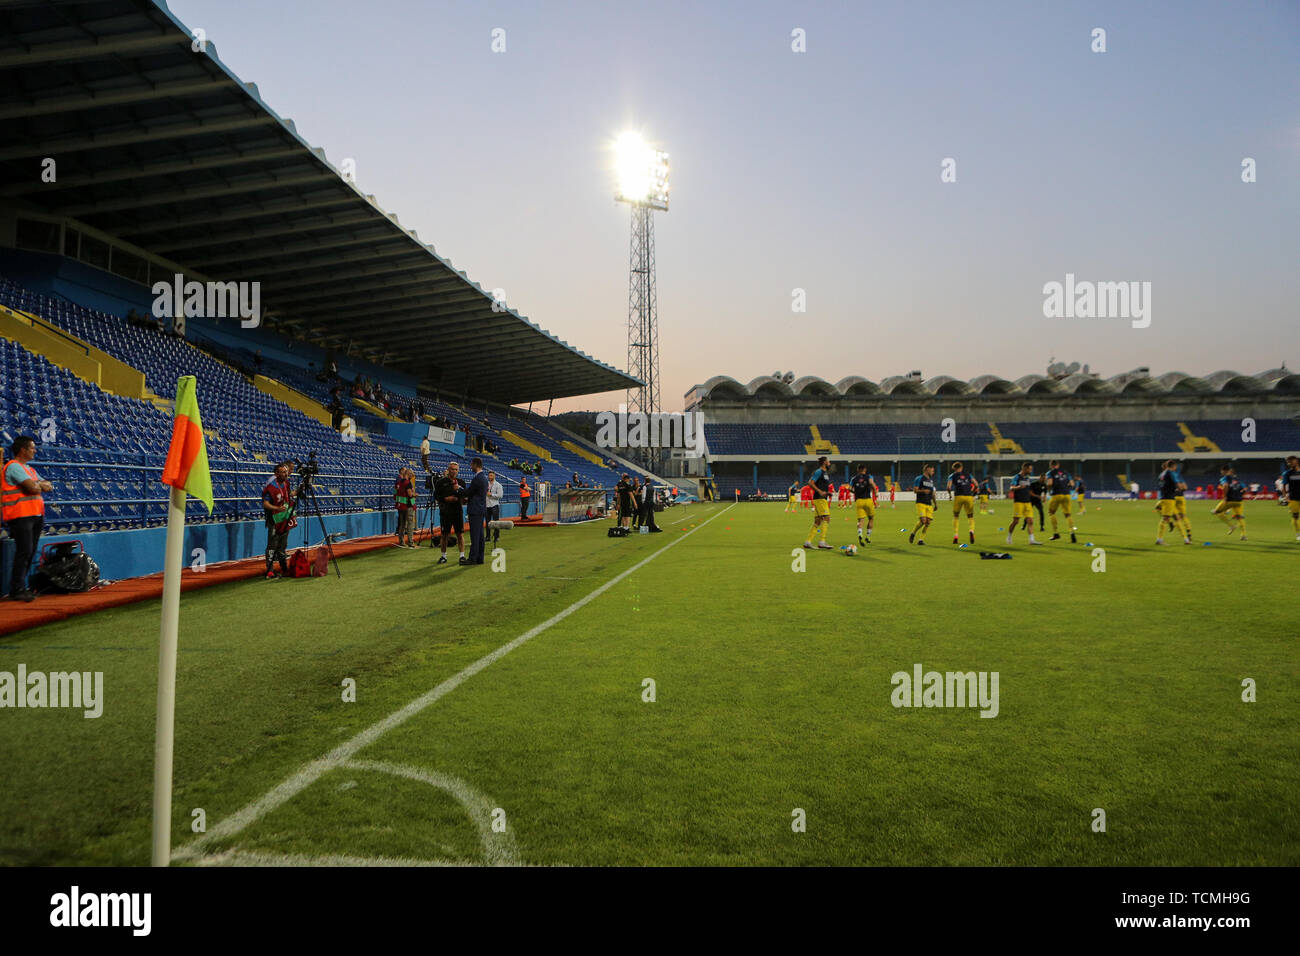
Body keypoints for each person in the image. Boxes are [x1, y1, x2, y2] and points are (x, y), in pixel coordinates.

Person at [2, 436, 52, 602]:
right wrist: (38, 486)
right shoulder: (14, 467)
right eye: (32, 448)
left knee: (29, 551)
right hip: (21, 515)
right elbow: (32, 487)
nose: (35, 450)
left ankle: (22, 587)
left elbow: (48, 485)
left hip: (35, 514)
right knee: (24, 552)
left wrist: (38, 486)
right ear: (23, 450)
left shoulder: (28, 469)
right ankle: (17, 589)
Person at [262, 461, 297, 578]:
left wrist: (296, 492)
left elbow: (287, 494)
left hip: (285, 519)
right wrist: (277, 508)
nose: (286, 474)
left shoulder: (286, 483)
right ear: (276, 474)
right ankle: (270, 571)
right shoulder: (271, 487)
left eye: (286, 472)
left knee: (282, 546)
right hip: (274, 519)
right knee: (272, 546)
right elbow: (265, 504)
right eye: (283, 472)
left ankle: (284, 569)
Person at [434, 461, 466, 564]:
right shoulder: (440, 482)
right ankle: (443, 556)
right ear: (448, 470)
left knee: (460, 534)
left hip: (457, 511)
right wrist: (445, 499)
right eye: (452, 469)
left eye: (456, 469)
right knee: (444, 535)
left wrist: (459, 499)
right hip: (445, 512)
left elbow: (464, 495)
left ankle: (462, 556)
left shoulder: (461, 482)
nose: (454, 471)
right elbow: (436, 496)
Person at [1006, 462, 1042, 546]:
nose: (1031, 470)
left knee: (1030, 521)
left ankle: (1032, 540)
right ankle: (1009, 536)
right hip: (1019, 502)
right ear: (1024, 469)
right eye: (1030, 469)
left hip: (1027, 502)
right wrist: (1018, 487)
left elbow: (1028, 491)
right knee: (1016, 521)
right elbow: (1011, 488)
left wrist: (1036, 496)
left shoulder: (1027, 478)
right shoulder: (1017, 477)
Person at [1154, 459, 1188, 545]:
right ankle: (1159, 539)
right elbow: (1177, 484)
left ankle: (1185, 538)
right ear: (1173, 466)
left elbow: (1163, 485)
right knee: (1166, 518)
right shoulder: (1170, 473)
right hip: (1169, 498)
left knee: (1168, 515)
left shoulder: (1161, 474)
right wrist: (1181, 488)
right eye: (1175, 466)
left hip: (1163, 497)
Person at [803, 455, 834, 550]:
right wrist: (820, 492)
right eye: (828, 461)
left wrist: (827, 493)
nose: (829, 463)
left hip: (821, 498)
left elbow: (821, 485)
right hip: (819, 498)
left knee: (817, 521)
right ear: (824, 462)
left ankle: (808, 542)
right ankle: (822, 542)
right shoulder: (819, 471)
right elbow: (810, 483)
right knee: (827, 518)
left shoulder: (825, 473)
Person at [1044, 459, 1077, 544]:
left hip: (1056, 494)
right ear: (1058, 465)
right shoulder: (1066, 473)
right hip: (1067, 495)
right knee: (1068, 515)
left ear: (1051, 465)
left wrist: (1049, 491)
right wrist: (1066, 488)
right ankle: (1072, 533)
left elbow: (1050, 483)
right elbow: (1072, 484)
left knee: (1051, 512)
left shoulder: (1050, 473)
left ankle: (1056, 533)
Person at [1211, 464, 1247, 540]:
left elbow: (1226, 485)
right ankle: (1243, 535)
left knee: (1216, 512)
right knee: (1239, 517)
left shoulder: (1224, 478)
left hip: (1229, 500)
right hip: (1239, 501)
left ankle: (1231, 526)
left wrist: (1225, 497)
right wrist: (1239, 495)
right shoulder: (1238, 479)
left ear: (1224, 471)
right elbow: (1245, 489)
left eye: (1221, 471)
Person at [465, 458, 490, 565]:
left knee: (475, 536)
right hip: (480, 509)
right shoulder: (483, 478)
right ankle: (480, 557)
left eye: (472, 464)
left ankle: (473, 558)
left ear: (476, 464)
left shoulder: (478, 478)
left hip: (475, 510)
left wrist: (458, 489)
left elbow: (469, 492)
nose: (471, 466)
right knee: (480, 536)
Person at [947, 461, 978, 545]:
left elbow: (948, 487)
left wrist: (950, 495)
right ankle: (971, 531)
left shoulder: (952, 476)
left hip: (958, 497)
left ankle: (956, 535)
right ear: (961, 467)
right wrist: (972, 492)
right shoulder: (968, 474)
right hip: (968, 496)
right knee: (970, 516)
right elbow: (976, 484)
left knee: (956, 516)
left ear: (954, 468)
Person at [850, 464, 878, 546]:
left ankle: (860, 534)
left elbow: (850, 489)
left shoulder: (854, 478)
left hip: (859, 501)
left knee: (861, 520)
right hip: (868, 500)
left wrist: (856, 492)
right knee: (871, 518)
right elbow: (872, 484)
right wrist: (875, 493)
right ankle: (868, 536)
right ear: (865, 469)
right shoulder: (869, 477)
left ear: (858, 470)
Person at [909, 464, 937, 545]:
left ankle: (921, 540)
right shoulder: (919, 478)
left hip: (929, 504)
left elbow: (933, 494)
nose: (933, 472)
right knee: (923, 521)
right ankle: (913, 533)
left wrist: (935, 504)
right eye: (932, 470)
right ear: (927, 469)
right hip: (921, 502)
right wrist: (923, 491)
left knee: (928, 522)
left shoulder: (931, 481)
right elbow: (915, 490)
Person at [394, 467, 417, 548]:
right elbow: (410, 495)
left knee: (402, 524)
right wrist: (415, 494)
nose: (412, 477)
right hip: (408, 505)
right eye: (411, 475)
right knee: (410, 524)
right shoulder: (408, 483)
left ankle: (401, 541)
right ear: (409, 474)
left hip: (400, 505)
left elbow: (395, 494)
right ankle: (410, 542)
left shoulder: (398, 482)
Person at [1170, 460, 1193, 542]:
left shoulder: (1169, 475)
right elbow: (1185, 488)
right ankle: (1189, 533)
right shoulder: (1179, 476)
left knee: (1176, 517)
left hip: (1173, 498)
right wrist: (1181, 489)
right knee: (1184, 516)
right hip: (1181, 497)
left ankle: (1183, 536)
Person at [1283, 456, 1300, 542]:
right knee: (1295, 517)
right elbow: (1284, 486)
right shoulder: (1287, 473)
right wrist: (1285, 496)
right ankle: (1298, 534)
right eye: (1288, 462)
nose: (1289, 464)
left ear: (1296, 461)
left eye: (1291, 461)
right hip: (1293, 498)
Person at [486, 470, 504, 544]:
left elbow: (500, 495)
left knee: (496, 522)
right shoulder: (486, 484)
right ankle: (487, 536)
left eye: (491, 475)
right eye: (489, 475)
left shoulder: (498, 485)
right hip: (487, 505)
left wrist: (492, 495)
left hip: (494, 505)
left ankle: (496, 537)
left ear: (494, 476)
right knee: (487, 522)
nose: (490, 477)